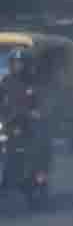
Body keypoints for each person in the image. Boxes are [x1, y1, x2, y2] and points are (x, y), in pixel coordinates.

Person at [1, 48, 50, 187]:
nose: (18, 66)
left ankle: (39, 177)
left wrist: (39, 112)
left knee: (39, 148)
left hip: (31, 125)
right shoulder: (6, 81)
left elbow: (44, 102)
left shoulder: (35, 82)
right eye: (15, 62)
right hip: (10, 123)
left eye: (21, 62)